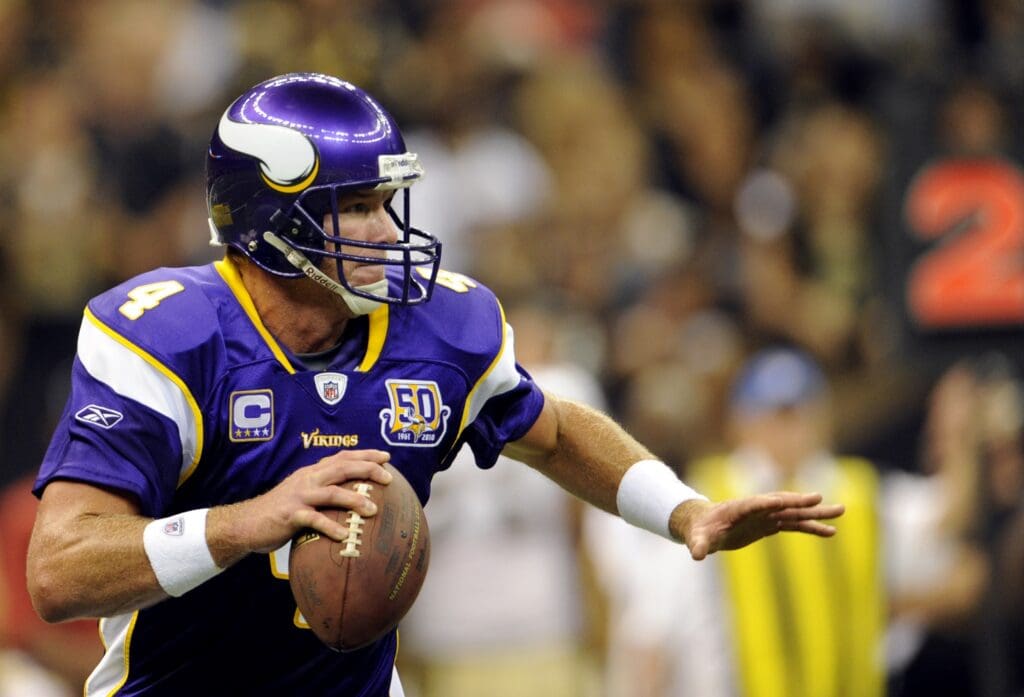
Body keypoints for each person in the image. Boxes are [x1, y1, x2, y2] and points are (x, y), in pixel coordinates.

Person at [26, 72, 843, 697]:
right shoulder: (168, 336)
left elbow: (554, 432)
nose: (388, 231)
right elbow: (58, 573)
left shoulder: (440, 328)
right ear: (270, 222)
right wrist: (246, 523)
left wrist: (684, 511)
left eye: (390, 201)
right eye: (357, 206)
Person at [588, 346, 885, 697]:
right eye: (774, 417)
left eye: (798, 416)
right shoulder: (703, 498)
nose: (788, 432)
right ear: (740, 423)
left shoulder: (857, 492)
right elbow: (653, 625)